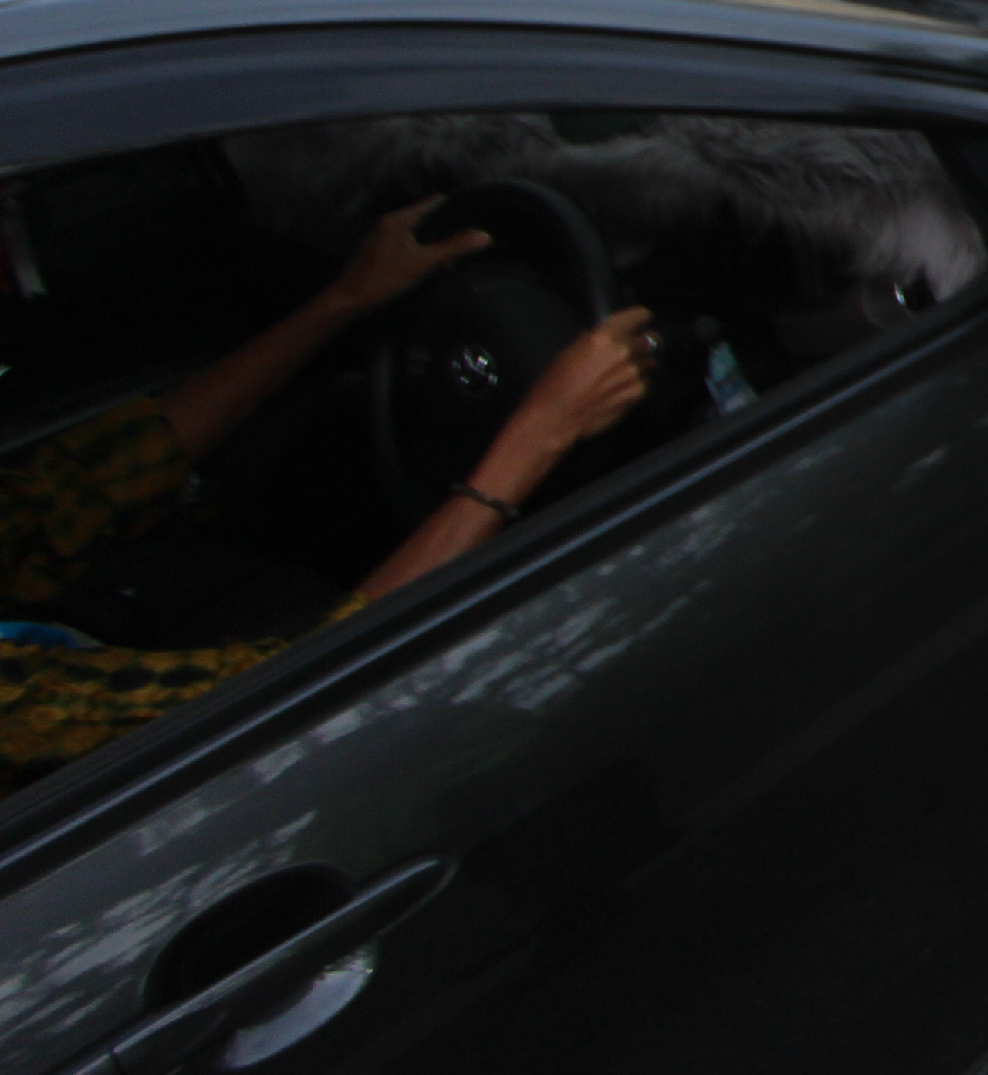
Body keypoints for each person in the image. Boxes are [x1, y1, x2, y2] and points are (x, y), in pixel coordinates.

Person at [1, 200, 652, 795]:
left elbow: (76, 489)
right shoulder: (20, 714)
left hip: (114, 633)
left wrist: (343, 298)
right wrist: (541, 431)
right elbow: (291, 694)